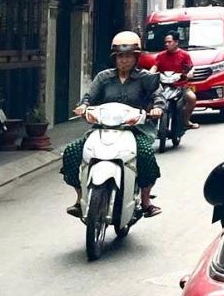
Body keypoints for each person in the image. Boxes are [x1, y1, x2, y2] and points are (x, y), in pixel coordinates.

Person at [59, 33, 162, 217]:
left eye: (129, 56)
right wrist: (83, 106)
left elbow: (158, 97)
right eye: (120, 56)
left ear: (136, 58)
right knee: (72, 151)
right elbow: (88, 97)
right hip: (102, 128)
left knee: (146, 154)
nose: (124, 60)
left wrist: (157, 109)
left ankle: (146, 201)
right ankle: (80, 198)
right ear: (115, 58)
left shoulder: (146, 78)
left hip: (135, 129)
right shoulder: (103, 77)